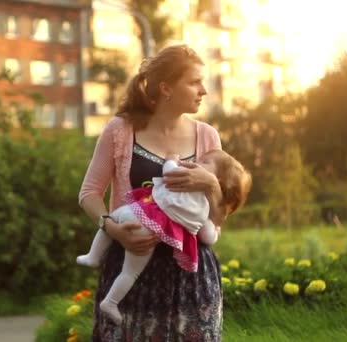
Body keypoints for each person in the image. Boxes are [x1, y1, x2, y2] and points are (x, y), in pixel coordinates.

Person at [79, 44, 230, 340]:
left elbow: (220, 217)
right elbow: (89, 193)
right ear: (166, 88)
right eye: (194, 81)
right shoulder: (120, 130)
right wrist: (114, 230)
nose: (204, 90)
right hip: (130, 268)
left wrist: (212, 185)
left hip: (191, 277)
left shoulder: (207, 136)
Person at [77, 150, 251, 325]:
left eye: (205, 162)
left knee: (111, 219)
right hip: (146, 229)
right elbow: (207, 236)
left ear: (217, 180)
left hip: (138, 212)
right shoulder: (204, 208)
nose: (197, 162)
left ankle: (93, 256)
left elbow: (169, 172)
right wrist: (215, 229)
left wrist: (171, 160)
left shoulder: (188, 181)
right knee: (130, 271)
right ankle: (110, 302)